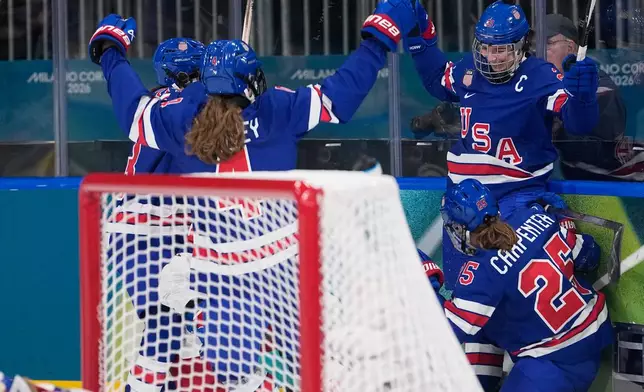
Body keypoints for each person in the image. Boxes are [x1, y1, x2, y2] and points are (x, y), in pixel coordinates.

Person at [89, 1, 416, 390]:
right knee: (325, 363)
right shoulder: (278, 109)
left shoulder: (185, 121)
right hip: (285, 267)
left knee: (236, 375)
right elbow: (338, 97)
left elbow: (135, 111)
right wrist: (375, 44)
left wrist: (111, 52)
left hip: (221, 272)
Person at [403, 0, 600, 289]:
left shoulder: (540, 75)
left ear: (521, 46)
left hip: (516, 201)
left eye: (499, 50)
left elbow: (579, 124)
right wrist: (419, 35)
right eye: (484, 47)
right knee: (463, 290)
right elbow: (437, 79)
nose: (490, 57)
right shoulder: (470, 69)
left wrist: (583, 97)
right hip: (462, 207)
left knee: (510, 294)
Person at [423, 179, 612, 391]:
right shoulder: (533, 216)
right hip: (596, 335)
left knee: (476, 318)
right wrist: (564, 222)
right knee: (486, 321)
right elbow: (590, 255)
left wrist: (422, 280)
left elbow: (446, 332)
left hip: (556, 362)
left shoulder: (481, 273)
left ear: (459, 229)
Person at [545, 14, 642, 181]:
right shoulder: (535, 85)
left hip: (607, 189)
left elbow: (599, 146)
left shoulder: (597, 85)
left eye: (548, 44)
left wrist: (556, 131)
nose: (538, 51)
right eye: (534, 45)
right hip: (562, 183)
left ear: (570, 47)